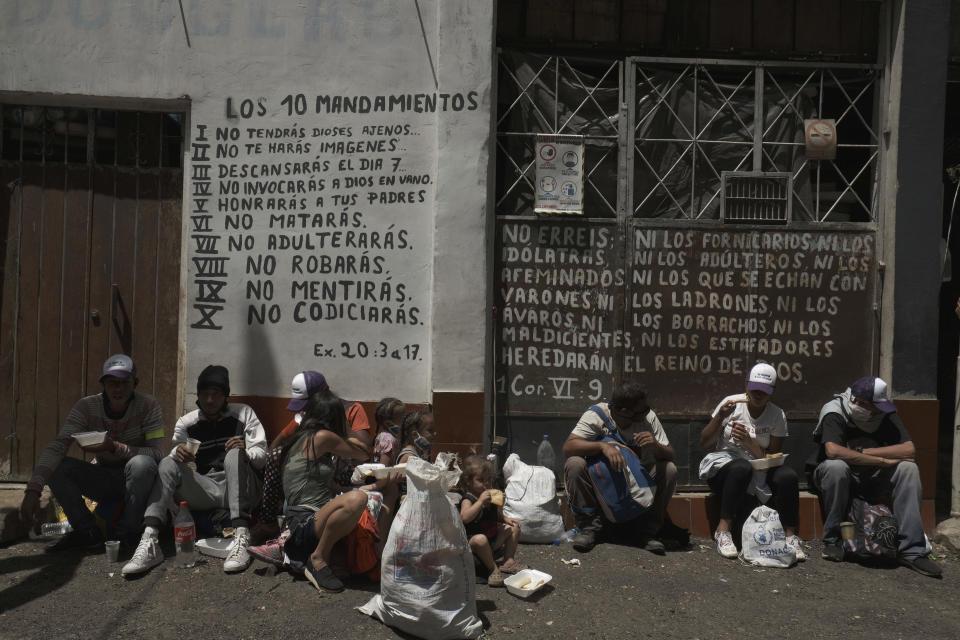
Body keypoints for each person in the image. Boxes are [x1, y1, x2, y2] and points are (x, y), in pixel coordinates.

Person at [122, 365, 267, 576]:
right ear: (198, 395)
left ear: (226, 396)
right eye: (204, 394)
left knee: (234, 455)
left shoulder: (244, 413)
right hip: (206, 488)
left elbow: (262, 458)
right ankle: (150, 539)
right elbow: (177, 467)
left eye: (215, 394)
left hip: (242, 490)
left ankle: (241, 536)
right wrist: (178, 455)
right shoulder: (186, 423)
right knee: (167, 463)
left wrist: (245, 450)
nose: (209, 400)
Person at [19, 354, 165, 551]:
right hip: (102, 476)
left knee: (142, 464)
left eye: (124, 383)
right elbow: (58, 446)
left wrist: (114, 447)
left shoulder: (149, 405)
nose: (118, 389)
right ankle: (86, 532)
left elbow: (157, 453)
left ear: (135, 383)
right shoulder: (86, 406)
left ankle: (129, 532)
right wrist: (33, 491)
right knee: (58, 466)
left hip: (137, 481)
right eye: (112, 382)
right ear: (103, 384)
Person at [809, 376, 941, 577]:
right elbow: (833, 451)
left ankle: (912, 550)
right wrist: (881, 461)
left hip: (872, 477)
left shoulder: (885, 413)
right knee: (837, 467)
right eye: (874, 406)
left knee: (908, 469)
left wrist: (864, 453)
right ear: (860, 403)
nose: (879, 411)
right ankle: (833, 541)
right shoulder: (835, 411)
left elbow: (909, 450)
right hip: (836, 477)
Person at [698, 363, 805, 560]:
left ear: (771, 392)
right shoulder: (732, 403)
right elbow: (705, 441)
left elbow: (774, 455)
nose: (757, 394)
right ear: (747, 385)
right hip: (727, 468)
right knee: (741, 467)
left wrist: (749, 442)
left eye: (763, 392)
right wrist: (720, 416)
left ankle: (791, 536)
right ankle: (723, 530)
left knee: (787, 476)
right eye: (754, 389)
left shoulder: (776, 414)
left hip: (760, 464)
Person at [562, 382, 677, 554]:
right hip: (601, 483)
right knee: (574, 464)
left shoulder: (649, 418)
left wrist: (654, 445)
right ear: (625, 411)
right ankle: (589, 528)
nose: (647, 412)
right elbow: (568, 447)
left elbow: (669, 454)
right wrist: (602, 446)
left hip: (635, 482)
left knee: (669, 469)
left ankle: (647, 532)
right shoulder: (597, 415)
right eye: (643, 410)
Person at [280, 388, 372, 593]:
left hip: (304, 518)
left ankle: (322, 556)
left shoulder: (302, 437)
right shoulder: (322, 437)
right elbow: (365, 452)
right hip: (304, 522)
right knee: (358, 499)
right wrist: (348, 427)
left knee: (359, 495)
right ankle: (318, 557)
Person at [459, 455, 522, 588]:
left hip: (492, 541)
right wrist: (480, 501)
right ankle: (493, 569)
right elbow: (464, 518)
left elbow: (496, 516)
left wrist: (504, 516)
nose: (486, 484)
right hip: (474, 545)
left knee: (514, 527)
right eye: (481, 480)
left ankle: (508, 560)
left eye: (488, 480)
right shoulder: (468, 499)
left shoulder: (490, 497)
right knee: (480, 539)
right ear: (468, 481)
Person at [372, 397, 405, 466]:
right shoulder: (388, 439)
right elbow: (384, 466)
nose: (405, 421)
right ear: (388, 423)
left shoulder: (383, 435)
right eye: (402, 419)